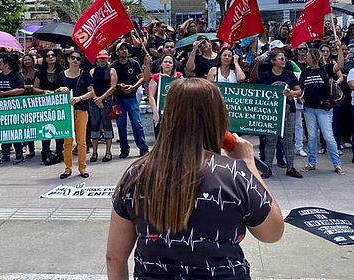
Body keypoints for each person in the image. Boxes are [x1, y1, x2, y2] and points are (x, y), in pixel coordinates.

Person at [106, 78, 284, 279]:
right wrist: (248, 163)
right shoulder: (234, 174)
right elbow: (272, 232)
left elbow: (115, 258)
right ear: (217, 118)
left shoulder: (137, 173)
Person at [298, 42, 346, 175]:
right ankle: (312, 162)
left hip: (324, 109)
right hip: (309, 108)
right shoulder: (305, 72)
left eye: (308, 55)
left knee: (329, 137)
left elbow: (340, 65)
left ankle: (337, 164)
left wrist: (340, 49)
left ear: (313, 57)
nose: (305, 57)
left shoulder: (326, 68)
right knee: (312, 137)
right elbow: (301, 88)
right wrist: (298, 95)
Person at [255, 51, 303, 179]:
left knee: (288, 139)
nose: (284, 60)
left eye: (284, 58)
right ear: (273, 61)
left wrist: (291, 93)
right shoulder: (266, 76)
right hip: (272, 112)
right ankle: (268, 168)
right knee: (271, 139)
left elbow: (299, 91)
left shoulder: (290, 74)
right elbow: (260, 91)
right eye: (280, 58)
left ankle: (290, 167)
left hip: (289, 110)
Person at [56, 51, 94, 179]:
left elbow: (92, 93)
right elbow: (53, 93)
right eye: (73, 58)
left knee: (81, 141)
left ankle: (82, 167)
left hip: (81, 109)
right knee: (67, 140)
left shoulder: (85, 74)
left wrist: (80, 98)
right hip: (66, 112)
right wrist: (59, 90)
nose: (75, 60)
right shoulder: (61, 75)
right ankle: (68, 168)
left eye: (78, 58)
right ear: (68, 59)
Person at [111, 42, 150, 158]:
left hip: (132, 98)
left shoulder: (134, 63)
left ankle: (143, 148)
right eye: (121, 49)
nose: (124, 51)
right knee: (121, 125)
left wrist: (134, 87)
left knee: (137, 124)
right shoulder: (113, 65)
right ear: (117, 52)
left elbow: (142, 77)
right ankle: (124, 149)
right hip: (119, 99)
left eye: (126, 49)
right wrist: (119, 86)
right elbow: (111, 82)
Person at [33, 48, 65, 165]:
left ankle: (59, 151)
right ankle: (45, 151)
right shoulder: (40, 72)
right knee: (45, 128)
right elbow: (34, 89)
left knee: (59, 128)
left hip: (58, 104)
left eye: (53, 55)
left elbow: (66, 86)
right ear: (45, 58)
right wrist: (43, 91)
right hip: (44, 104)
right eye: (48, 56)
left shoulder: (62, 71)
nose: (51, 57)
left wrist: (59, 90)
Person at [0, 54, 26, 164]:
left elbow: (21, 89)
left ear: (7, 64)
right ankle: (5, 154)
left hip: (14, 108)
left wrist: (4, 94)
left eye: (0, 63)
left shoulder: (16, 75)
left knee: (15, 131)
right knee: (4, 132)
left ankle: (19, 153)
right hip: (2, 109)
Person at [89, 50, 117, 163]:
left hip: (107, 101)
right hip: (94, 101)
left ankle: (108, 152)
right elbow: (90, 86)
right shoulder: (92, 71)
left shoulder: (111, 70)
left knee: (107, 125)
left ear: (107, 59)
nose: (102, 60)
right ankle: (94, 152)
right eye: (100, 58)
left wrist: (102, 98)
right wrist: (96, 99)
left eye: (104, 58)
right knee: (94, 125)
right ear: (96, 59)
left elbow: (113, 87)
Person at [148, 54, 183, 139]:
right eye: (165, 62)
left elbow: (184, 92)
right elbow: (151, 97)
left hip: (176, 112)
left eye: (170, 62)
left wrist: (172, 80)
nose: (167, 64)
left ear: (173, 65)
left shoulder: (179, 76)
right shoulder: (155, 77)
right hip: (160, 112)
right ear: (161, 64)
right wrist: (155, 113)